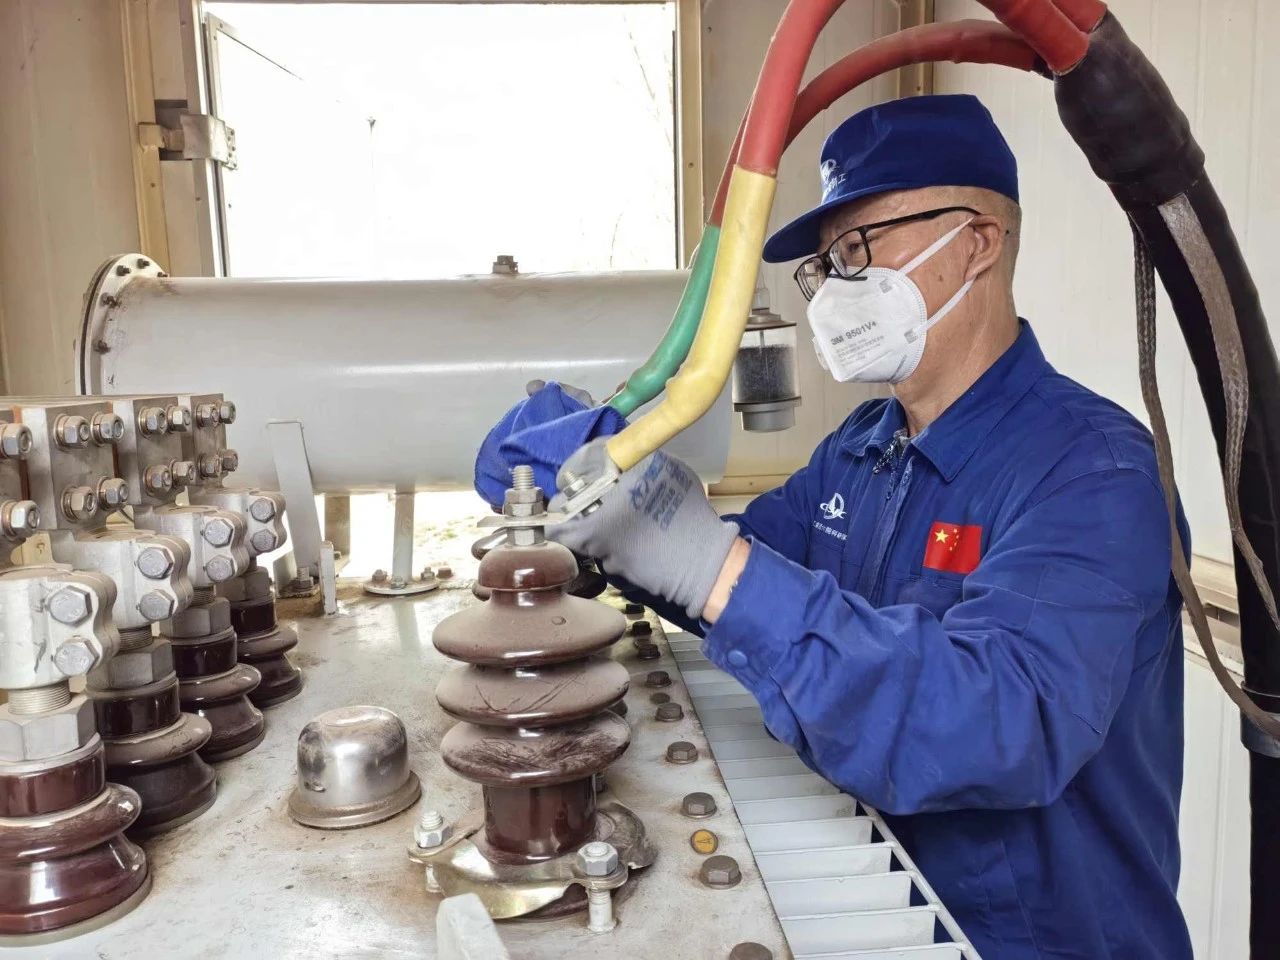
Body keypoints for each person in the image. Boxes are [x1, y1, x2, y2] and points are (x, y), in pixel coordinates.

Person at [479, 95, 1192, 958]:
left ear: (978, 242)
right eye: (825, 265)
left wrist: (706, 562)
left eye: (858, 249)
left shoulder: (1093, 472)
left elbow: (1003, 723)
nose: (834, 290)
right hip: (890, 902)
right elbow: (738, 577)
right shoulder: (865, 444)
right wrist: (614, 517)